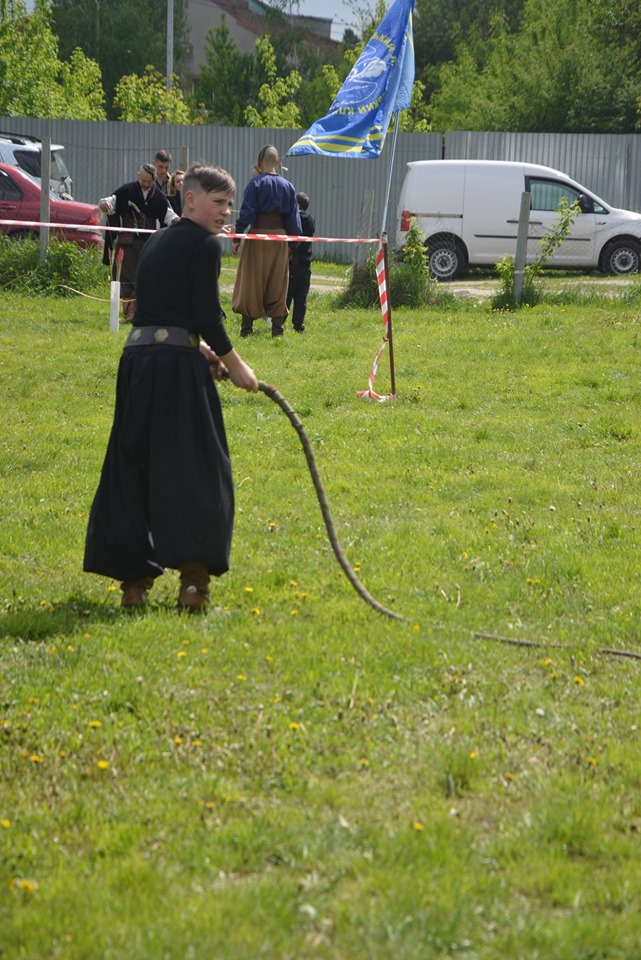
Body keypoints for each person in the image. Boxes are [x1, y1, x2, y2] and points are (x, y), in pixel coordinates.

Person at [85, 164, 259, 612]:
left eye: (228, 204)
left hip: (138, 363)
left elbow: (159, 313)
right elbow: (205, 313)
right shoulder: (203, 245)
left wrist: (199, 351)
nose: (225, 212)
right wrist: (234, 363)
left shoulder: (159, 240)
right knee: (198, 468)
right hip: (174, 372)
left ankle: (134, 584)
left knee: (134, 467)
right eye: (217, 203)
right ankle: (194, 584)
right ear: (190, 200)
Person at [231, 144, 301, 338]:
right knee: (278, 283)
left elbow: (246, 213)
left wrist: (237, 237)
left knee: (251, 281)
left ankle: (246, 330)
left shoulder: (255, 184)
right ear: (277, 162)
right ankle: (277, 330)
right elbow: (293, 219)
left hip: (257, 237)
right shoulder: (288, 186)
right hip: (279, 239)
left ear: (260, 161)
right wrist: (292, 245)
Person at [99, 163, 178, 321]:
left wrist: (177, 221)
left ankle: (139, 312)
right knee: (125, 276)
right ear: (138, 175)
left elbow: (169, 215)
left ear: (154, 180)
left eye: (149, 181)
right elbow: (109, 203)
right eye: (143, 180)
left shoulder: (159, 197)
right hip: (127, 243)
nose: (146, 184)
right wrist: (104, 204)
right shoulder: (126, 191)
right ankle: (128, 312)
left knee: (145, 277)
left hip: (149, 244)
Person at [286, 192, 315, 333]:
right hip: (306, 263)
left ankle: (279, 321)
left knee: (287, 294)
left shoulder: (295, 218)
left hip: (294, 262)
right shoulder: (311, 219)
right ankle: (298, 326)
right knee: (301, 297)